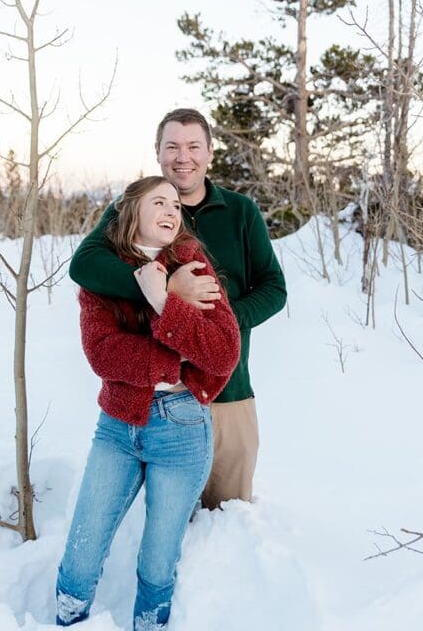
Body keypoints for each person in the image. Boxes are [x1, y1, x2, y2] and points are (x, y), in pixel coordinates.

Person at [56, 176, 240, 631]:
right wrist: (174, 360)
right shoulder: (102, 272)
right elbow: (103, 353)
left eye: (176, 204)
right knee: (82, 549)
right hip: (117, 425)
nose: (171, 210)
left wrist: (164, 303)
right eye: (158, 201)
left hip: (182, 430)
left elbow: (223, 352)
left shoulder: (193, 267)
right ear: (130, 211)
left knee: (158, 561)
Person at [69, 108, 287, 510]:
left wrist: (219, 320)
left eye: (193, 147)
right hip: (155, 397)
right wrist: (163, 291)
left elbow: (274, 288)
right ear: (157, 152)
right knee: (169, 520)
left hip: (229, 389)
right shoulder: (130, 208)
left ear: (210, 152)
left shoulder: (241, 211)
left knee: (228, 517)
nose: (182, 157)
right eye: (172, 147)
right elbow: (84, 266)